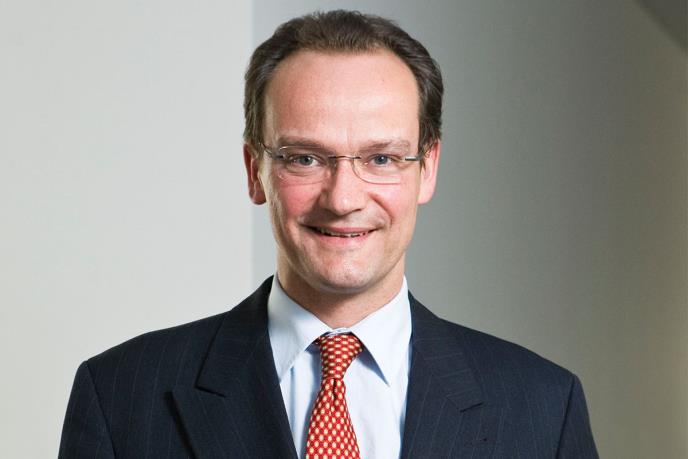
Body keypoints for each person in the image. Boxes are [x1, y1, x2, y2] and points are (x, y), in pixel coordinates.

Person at [59, 10, 598, 459]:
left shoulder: (544, 407)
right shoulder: (121, 397)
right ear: (254, 171)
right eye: (305, 158)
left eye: (381, 158)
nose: (342, 200)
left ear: (427, 169)